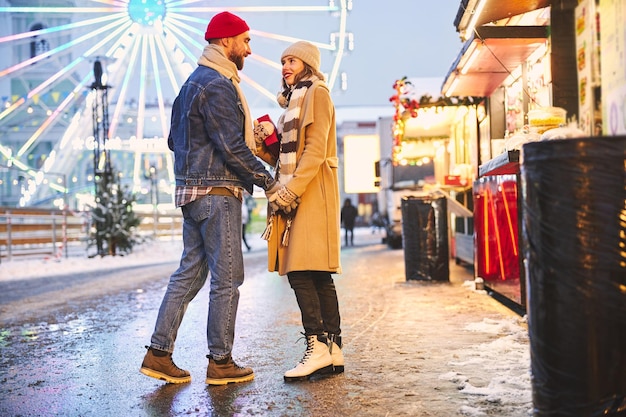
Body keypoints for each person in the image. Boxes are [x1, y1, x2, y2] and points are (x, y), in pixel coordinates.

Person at [140, 11, 279, 386]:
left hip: (191, 193)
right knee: (227, 278)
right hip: (217, 193)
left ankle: (158, 353)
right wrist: (268, 182)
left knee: (189, 274)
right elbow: (231, 147)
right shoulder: (218, 84)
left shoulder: (190, 85)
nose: (249, 49)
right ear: (225, 41)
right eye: (245, 41)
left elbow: (175, 140)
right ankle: (221, 361)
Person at [254, 41, 344, 382]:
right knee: (316, 271)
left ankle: (317, 344)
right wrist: (265, 144)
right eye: (282, 61)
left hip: (311, 190)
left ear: (307, 64)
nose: (285, 66)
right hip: (303, 188)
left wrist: (290, 190)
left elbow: (315, 149)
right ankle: (332, 347)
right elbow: (284, 156)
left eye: (291, 60)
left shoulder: (316, 93)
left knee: (301, 268)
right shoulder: (292, 103)